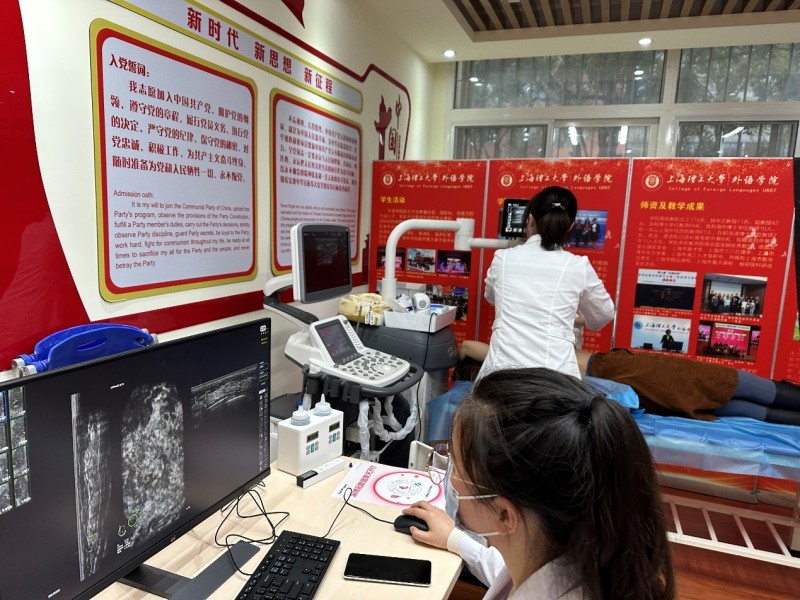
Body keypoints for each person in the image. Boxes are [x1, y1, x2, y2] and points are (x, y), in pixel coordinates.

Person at [404, 368, 675, 600]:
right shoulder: (563, 558)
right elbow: (515, 573)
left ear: (505, 515)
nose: (449, 473)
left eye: (455, 463)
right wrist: (455, 540)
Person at [478, 186, 615, 381]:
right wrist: (579, 318)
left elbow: (491, 296)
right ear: (569, 226)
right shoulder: (578, 266)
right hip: (555, 381)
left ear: (530, 220)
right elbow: (604, 314)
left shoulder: (502, 258)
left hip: (499, 379)